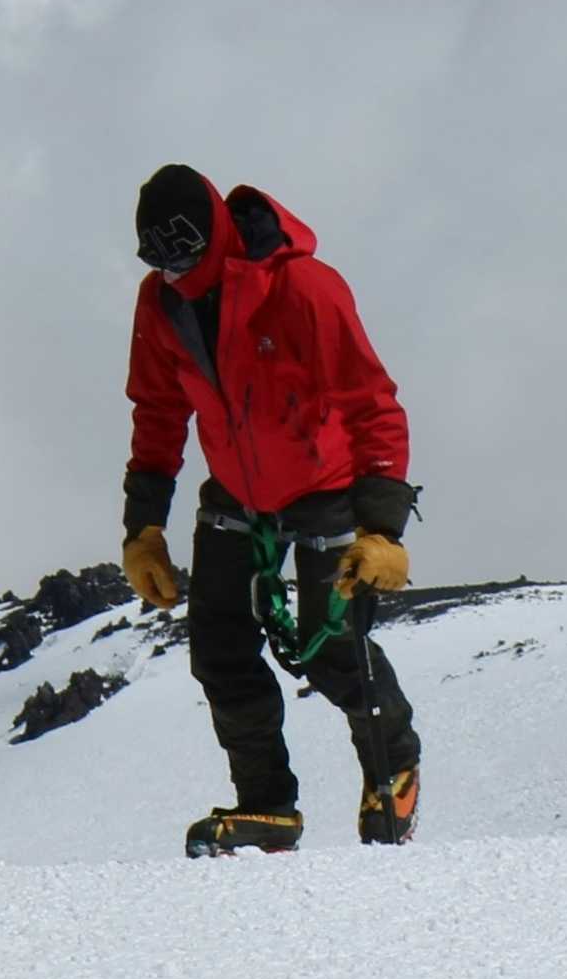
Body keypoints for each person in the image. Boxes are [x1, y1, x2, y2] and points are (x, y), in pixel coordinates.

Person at [114, 164, 421, 855]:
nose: (172, 270)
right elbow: (158, 413)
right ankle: (266, 804)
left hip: (324, 484)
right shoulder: (159, 304)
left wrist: (383, 526)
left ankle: (392, 766)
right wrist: (144, 527)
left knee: (331, 645)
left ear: (216, 233)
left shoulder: (303, 288)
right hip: (236, 494)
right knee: (219, 647)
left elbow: (371, 401)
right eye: (156, 258)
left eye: (183, 252)